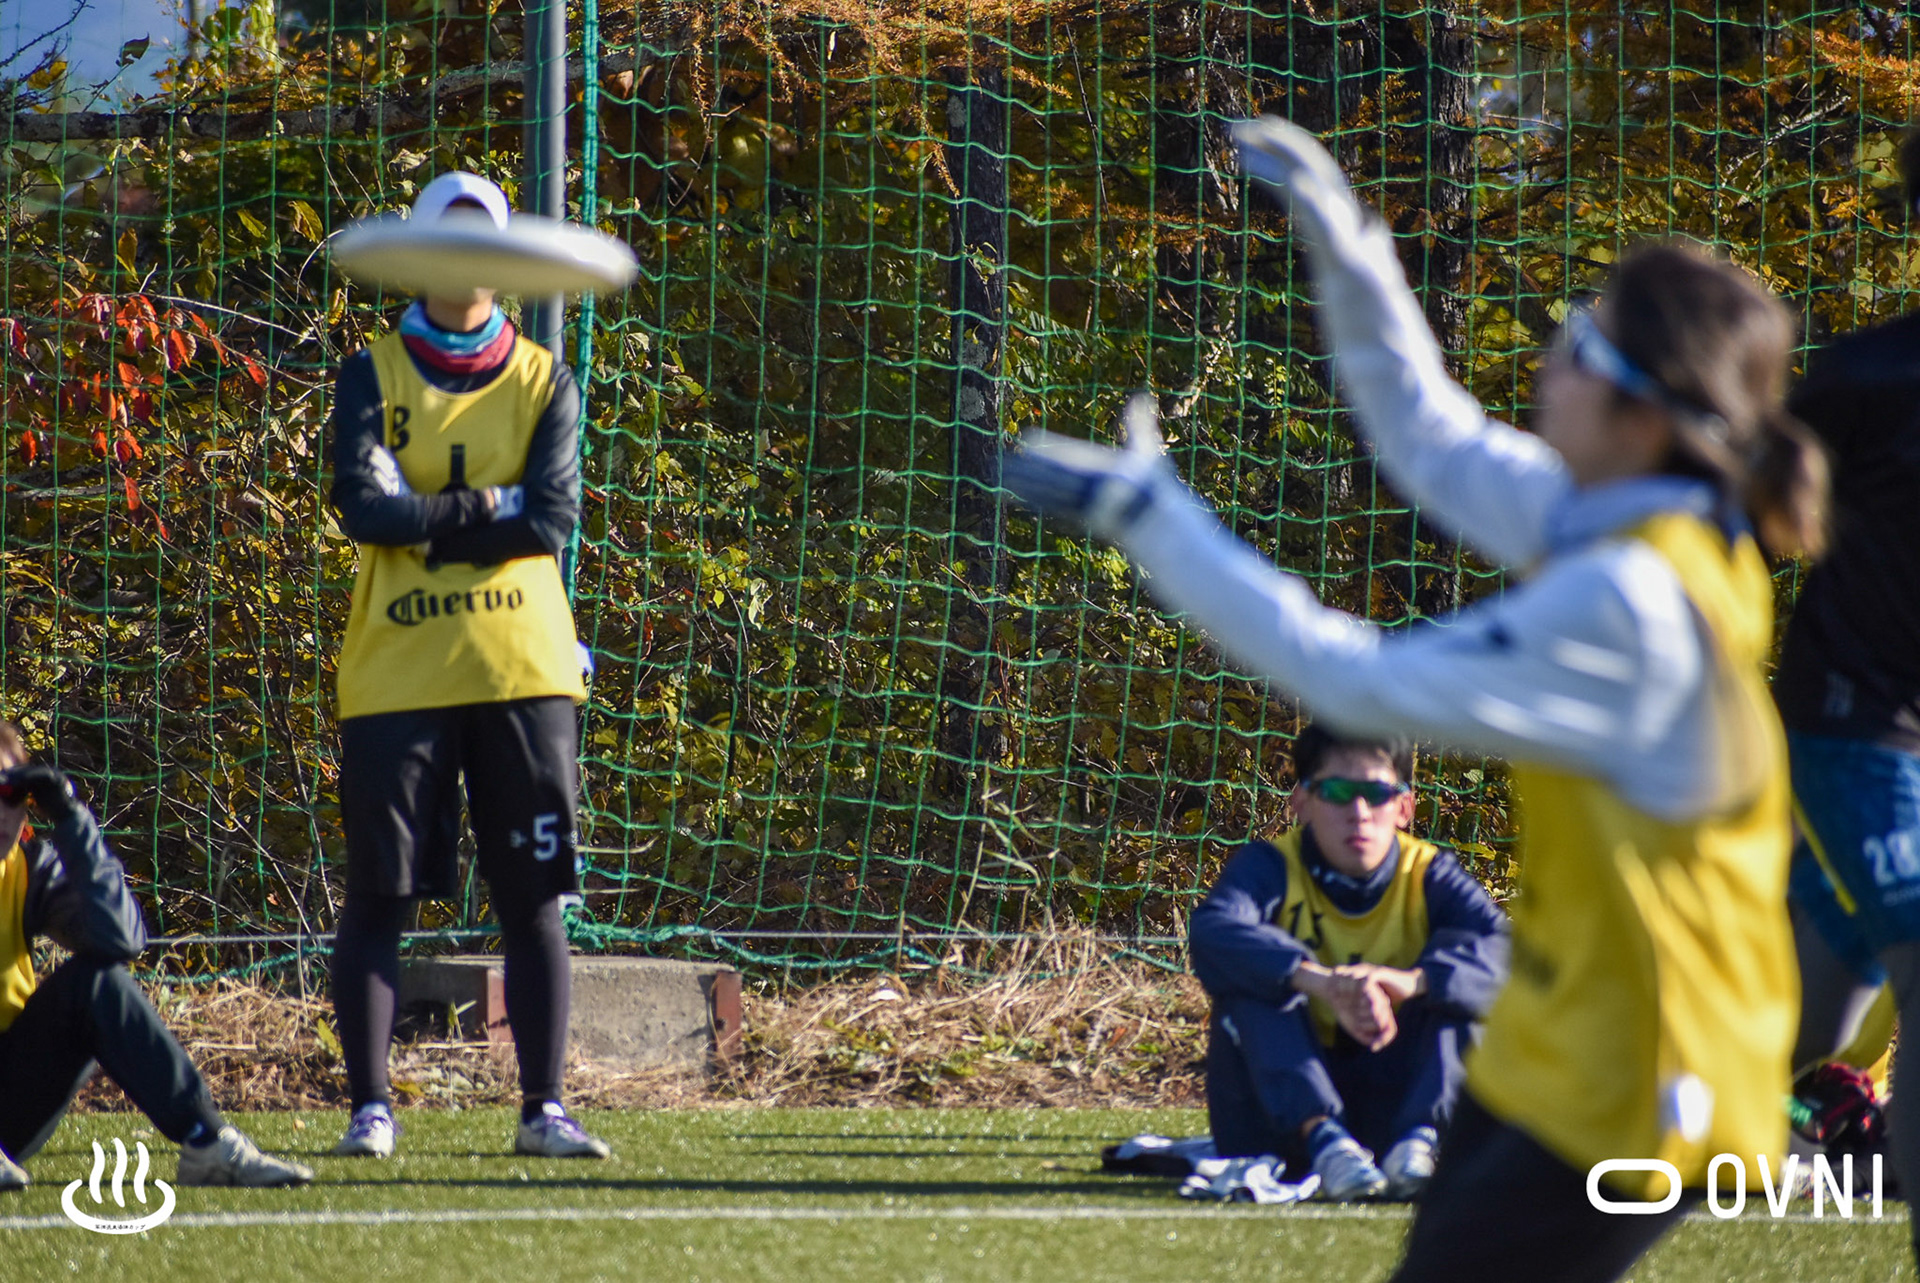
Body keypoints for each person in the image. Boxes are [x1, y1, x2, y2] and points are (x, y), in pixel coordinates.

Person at [1003, 115, 1826, 1282]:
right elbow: (1429, 435)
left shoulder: (1630, 599)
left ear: (1647, 412)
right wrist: (1348, 248)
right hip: (1570, 1040)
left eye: (1580, 341)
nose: (1549, 356)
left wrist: (1151, 517)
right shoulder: (1629, 518)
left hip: (1651, 1065)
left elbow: (1351, 677)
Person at [326, 171, 607, 1160]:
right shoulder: (370, 375)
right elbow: (365, 510)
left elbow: (550, 519)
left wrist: (430, 521)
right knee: (380, 895)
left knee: (533, 898)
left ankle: (543, 1108)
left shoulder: (543, 380)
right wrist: (486, 504)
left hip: (523, 671)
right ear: (417, 255)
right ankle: (371, 1107)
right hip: (397, 671)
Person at [1771, 126, 1920, 1260]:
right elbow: (1743, 516)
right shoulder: (1866, 378)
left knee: (1798, 1021)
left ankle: (1639, 1119)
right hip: (1853, 725)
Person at [1190, 723, 1508, 1201]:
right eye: (1338, 792)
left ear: (1404, 808)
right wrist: (1318, 981)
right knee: (1252, 985)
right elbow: (1212, 931)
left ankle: (1419, 1145)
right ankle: (1327, 1143)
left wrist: (1413, 982)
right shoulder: (1270, 865)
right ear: (1301, 802)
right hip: (1278, 1122)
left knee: (1464, 984)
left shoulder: (1429, 873)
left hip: (1391, 1106)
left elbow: (1509, 954)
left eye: (1376, 794)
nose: (1358, 812)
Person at [0, 722, 311, 1189]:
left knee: (97, 982)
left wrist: (71, 820)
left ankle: (207, 1139)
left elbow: (119, 940)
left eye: (11, 794)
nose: (3, 813)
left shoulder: (26, 869)